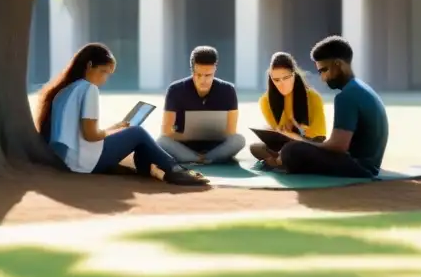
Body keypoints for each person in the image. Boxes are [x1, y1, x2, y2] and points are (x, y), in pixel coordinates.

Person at [34, 43, 208, 186]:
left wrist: (114, 129)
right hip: (85, 163)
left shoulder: (63, 91)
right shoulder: (89, 89)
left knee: (133, 135)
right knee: (137, 132)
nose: (104, 79)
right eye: (103, 72)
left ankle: (150, 170)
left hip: (69, 160)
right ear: (89, 65)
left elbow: (80, 132)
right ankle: (173, 169)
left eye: (108, 75)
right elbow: (90, 134)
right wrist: (112, 133)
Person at [269, 36, 389, 178]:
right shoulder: (360, 88)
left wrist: (303, 143)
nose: (322, 78)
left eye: (324, 70)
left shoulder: (346, 96)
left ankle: (280, 161)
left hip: (359, 167)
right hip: (367, 164)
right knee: (291, 148)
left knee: (291, 150)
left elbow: (338, 145)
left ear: (338, 64)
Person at [158, 45, 246, 164]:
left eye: (208, 75)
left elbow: (231, 131)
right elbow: (166, 131)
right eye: (198, 75)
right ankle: (205, 159)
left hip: (216, 146)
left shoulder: (228, 90)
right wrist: (187, 136)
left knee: (239, 140)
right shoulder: (175, 89)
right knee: (162, 141)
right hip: (184, 146)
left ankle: (201, 158)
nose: (203, 80)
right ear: (192, 71)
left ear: (215, 69)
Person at [250, 52, 327, 165]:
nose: (282, 84)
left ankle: (278, 162)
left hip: (308, 144)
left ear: (294, 75)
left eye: (286, 78)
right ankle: (281, 162)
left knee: (290, 152)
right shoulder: (265, 101)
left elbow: (319, 138)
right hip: (282, 145)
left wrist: (295, 136)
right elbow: (277, 133)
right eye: (276, 80)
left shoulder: (313, 97)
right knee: (255, 147)